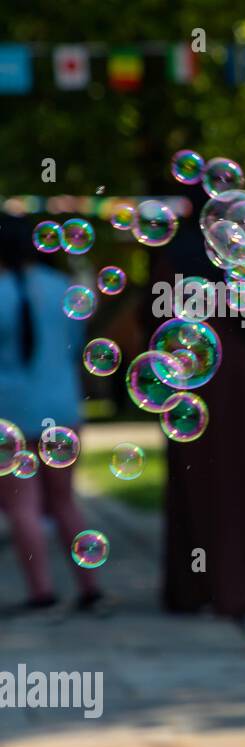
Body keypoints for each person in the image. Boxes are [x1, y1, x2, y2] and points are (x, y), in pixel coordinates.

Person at [144, 185, 245, 616]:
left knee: (201, 482)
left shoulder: (176, 255)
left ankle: (196, 588)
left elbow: (155, 320)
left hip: (192, 377)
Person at [0, 214, 105, 614]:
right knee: (65, 501)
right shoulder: (64, 290)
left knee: (21, 503)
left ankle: (41, 590)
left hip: (9, 412)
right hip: (61, 408)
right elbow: (75, 345)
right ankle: (89, 586)